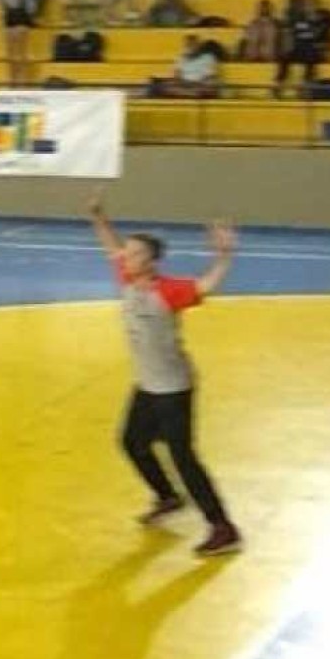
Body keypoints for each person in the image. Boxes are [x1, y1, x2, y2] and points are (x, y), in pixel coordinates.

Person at [86, 192, 242, 556]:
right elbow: (111, 246)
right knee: (131, 442)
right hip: (146, 386)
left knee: (183, 457)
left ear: (153, 262)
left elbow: (206, 286)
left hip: (173, 389)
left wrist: (224, 255)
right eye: (128, 252)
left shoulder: (169, 291)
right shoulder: (127, 278)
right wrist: (98, 216)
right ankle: (168, 496)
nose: (127, 256)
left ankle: (223, 528)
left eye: (136, 253)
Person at [275, 0, 330, 98]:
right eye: (306, 5)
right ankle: (279, 85)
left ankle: (305, 87)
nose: (308, 7)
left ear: (316, 6)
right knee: (284, 56)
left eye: (311, 5)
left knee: (310, 55)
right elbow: (294, 35)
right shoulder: (299, 20)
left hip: (315, 52)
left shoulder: (323, 21)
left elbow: (328, 40)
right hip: (300, 50)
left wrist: (323, 47)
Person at [155, 35, 221, 99]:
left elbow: (209, 77)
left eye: (193, 45)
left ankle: (186, 93)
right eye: (188, 45)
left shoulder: (208, 57)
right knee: (162, 87)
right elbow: (176, 74)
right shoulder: (182, 57)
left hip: (199, 84)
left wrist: (194, 84)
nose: (190, 47)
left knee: (209, 87)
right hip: (184, 84)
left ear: (198, 46)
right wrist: (177, 81)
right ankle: (190, 94)